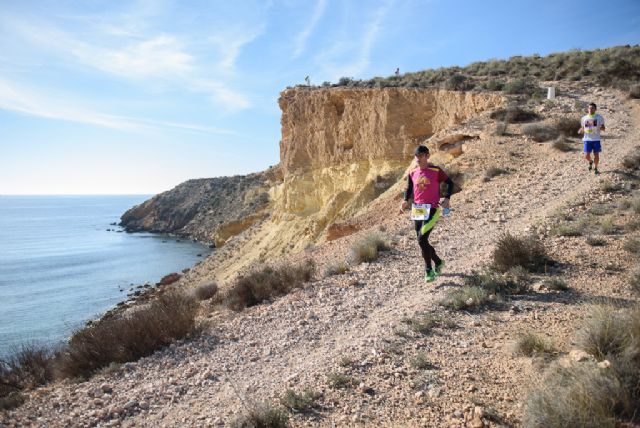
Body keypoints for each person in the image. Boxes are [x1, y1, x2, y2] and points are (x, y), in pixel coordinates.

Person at [399, 145, 454, 282]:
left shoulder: (435, 171)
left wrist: (447, 199)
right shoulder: (412, 173)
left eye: (421, 155)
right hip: (418, 208)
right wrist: (405, 201)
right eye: (416, 156)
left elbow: (450, 183)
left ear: (427, 156)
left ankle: (428, 270)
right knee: (422, 241)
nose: (418, 158)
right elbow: (409, 188)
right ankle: (439, 262)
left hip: (432, 209)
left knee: (421, 239)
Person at [578, 102, 606, 175]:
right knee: (586, 156)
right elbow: (583, 128)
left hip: (596, 139)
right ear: (588, 109)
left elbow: (603, 128)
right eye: (589, 108)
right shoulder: (584, 118)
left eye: (592, 108)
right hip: (587, 139)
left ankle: (596, 168)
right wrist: (581, 130)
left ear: (595, 109)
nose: (590, 109)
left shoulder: (599, 117)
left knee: (596, 155)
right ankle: (590, 161)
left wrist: (601, 127)